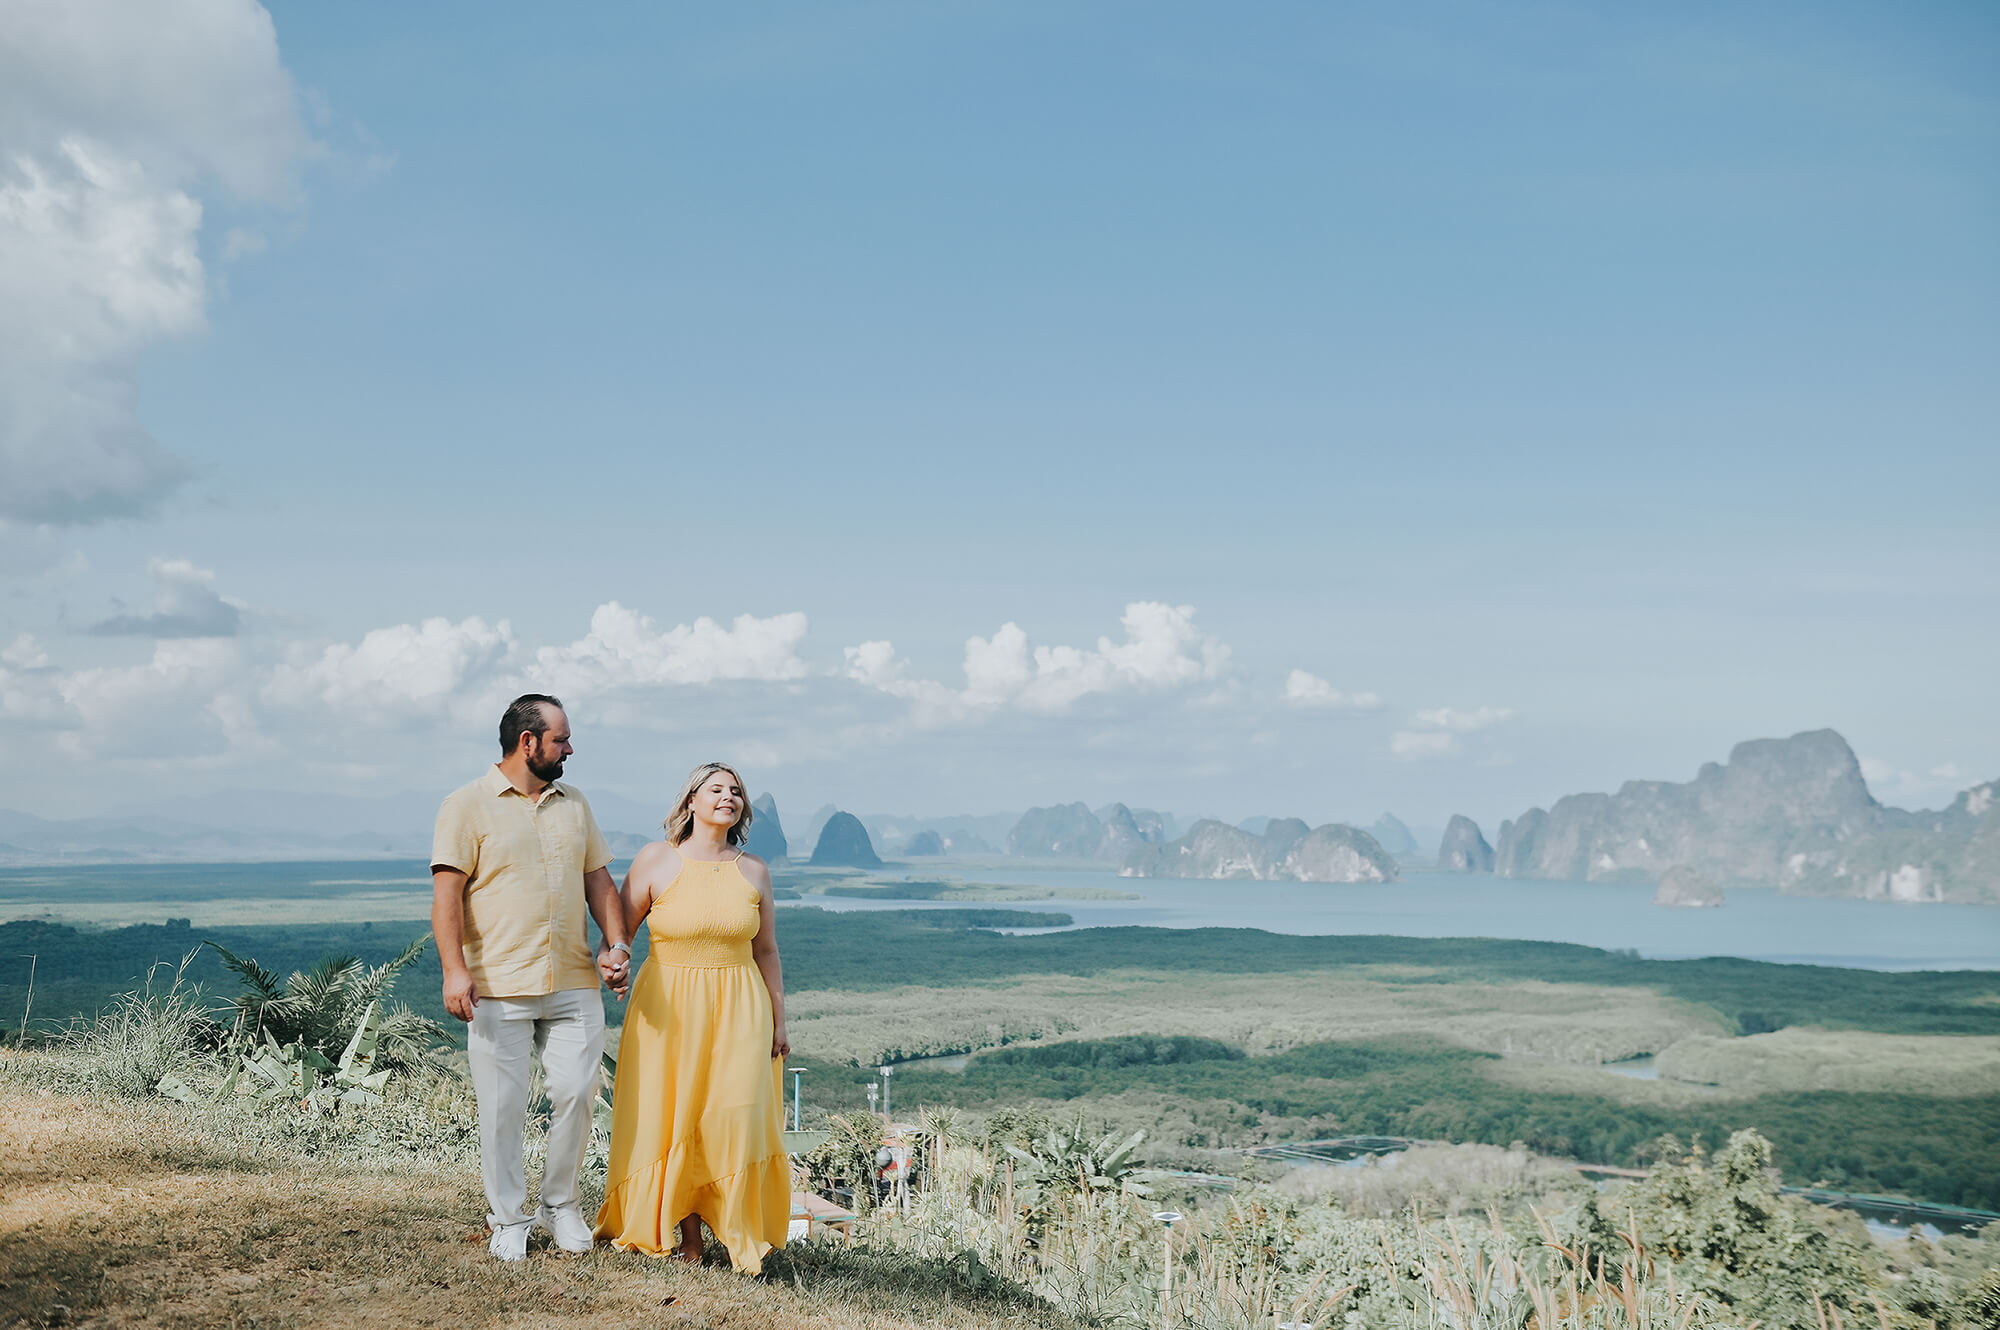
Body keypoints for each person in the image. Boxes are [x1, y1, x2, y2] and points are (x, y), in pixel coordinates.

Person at [431, 693, 632, 1262]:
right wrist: (454, 971)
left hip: (573, 982)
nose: (570, 748)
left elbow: (600, 882)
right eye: (562, 739)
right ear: (529, 742)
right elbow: (447, 896)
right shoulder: (466, 804)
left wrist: (615, 945)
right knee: (502, 1106)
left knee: (576, 1095)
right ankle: (509, 1217)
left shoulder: (575, 803)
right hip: (498, 984)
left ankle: (560, 1205)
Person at [596, 761, 791, 1272]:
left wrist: (779, 1019)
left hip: (740, 1004)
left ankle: (735, 1227)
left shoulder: (754, 871)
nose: (728, 797)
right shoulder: (656, 860)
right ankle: (687, 1235)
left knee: (732, 1115)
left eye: (736, 792)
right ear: (691, 801)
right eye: (716, 789)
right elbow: (621, 933)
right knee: (675, 1113)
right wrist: (614, 963)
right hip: (667, 1004)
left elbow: (766, 950)